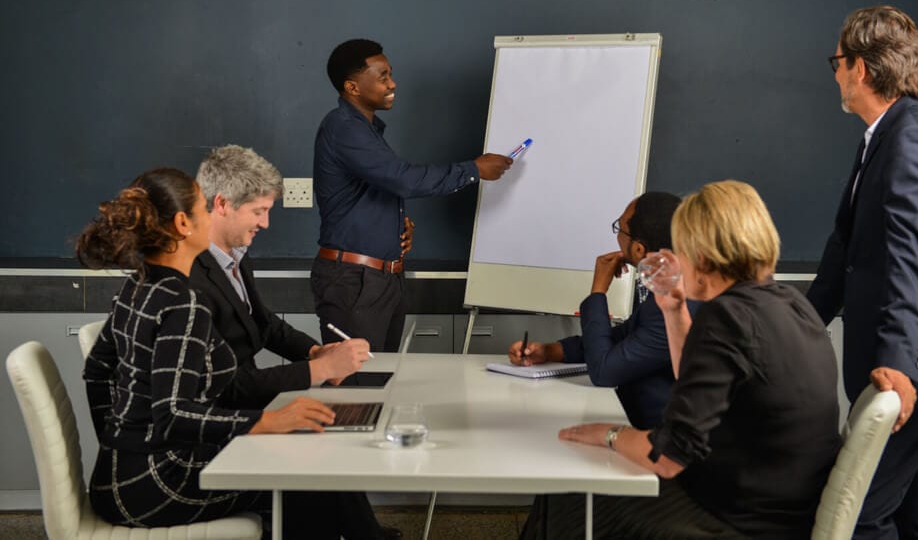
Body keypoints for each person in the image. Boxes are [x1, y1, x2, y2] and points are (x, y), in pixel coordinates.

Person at [522, 180, 842, 539]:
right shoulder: (787, 301)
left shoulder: (727, 318)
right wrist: (674, 308)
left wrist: (610, 434)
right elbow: (694, 371)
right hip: (786, 506)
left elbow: (670, 456)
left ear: (702, 254)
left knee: (573, 491)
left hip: (737, 518)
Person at [808, 5, 918, 539]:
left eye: (837, 62)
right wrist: (800, 324)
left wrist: (898, 366)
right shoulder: (883, 136)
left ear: (860, 68)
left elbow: (912, 256)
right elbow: (848, 249)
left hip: (916, 371)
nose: (835, 73)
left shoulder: (914, 138)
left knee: (861, 511)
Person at [80, 168, 336, 534]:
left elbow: (96, 372)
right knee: (304, 483)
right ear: (183, 223)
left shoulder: (137, 285)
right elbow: (173, 414)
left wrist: (118, 443)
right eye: (204, 207)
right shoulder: (184, 303)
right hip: (155, 485)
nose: (211, 214)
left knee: (284, 465)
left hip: (116, 477)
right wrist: (267, 422)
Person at [191, 145, 399, 539]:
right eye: (258, 211)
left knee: (325, 445)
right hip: (220, 424)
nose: (266, 223)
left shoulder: (232, 255)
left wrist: (313, 351)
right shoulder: (192, 277)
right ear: (221, 204)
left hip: (245, 404)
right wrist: (317, 371)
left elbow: (265, 325)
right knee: (315, 464)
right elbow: (224, 385)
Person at [312, 38, 512, 352]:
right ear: (352, 87)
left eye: (390, 74)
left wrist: (395, 226)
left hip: (378, 278)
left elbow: (376, 188)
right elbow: (402, 179)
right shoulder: (343, 127)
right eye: (382, 77)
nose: (392, 84)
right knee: (356, 390)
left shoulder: (365, 130)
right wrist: (473, 169)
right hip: (354, 281)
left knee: (381, 385)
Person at [506, 192, 698, 430]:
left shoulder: (678, 301)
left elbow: (604, 371)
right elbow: (622, 340)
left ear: (639, 249)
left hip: (657, 436)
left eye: (620, 229)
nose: (617, 236)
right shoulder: (673, 284)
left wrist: (598, 290)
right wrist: (549, 351)